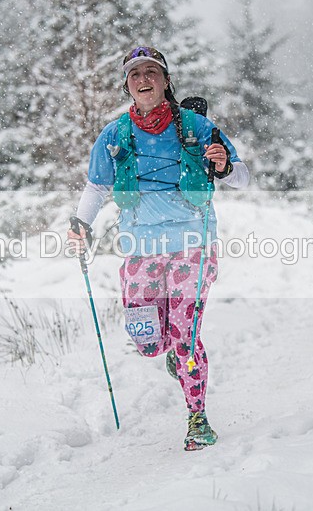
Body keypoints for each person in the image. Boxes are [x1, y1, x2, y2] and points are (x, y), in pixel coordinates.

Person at [67, 46, 250, 451]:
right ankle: (168, 352)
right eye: (135, 74)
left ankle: (197, 416)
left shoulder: (197, 126)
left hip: (193, 244)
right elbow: (97, 186)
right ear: (128, 86)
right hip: (141, 247)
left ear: (166, 81)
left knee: (186, 334)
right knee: (148, 339)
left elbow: (243, 178)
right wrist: (81, 223)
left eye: (152, 71)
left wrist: (222, 165)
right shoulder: (114, 134)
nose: (144, 78)